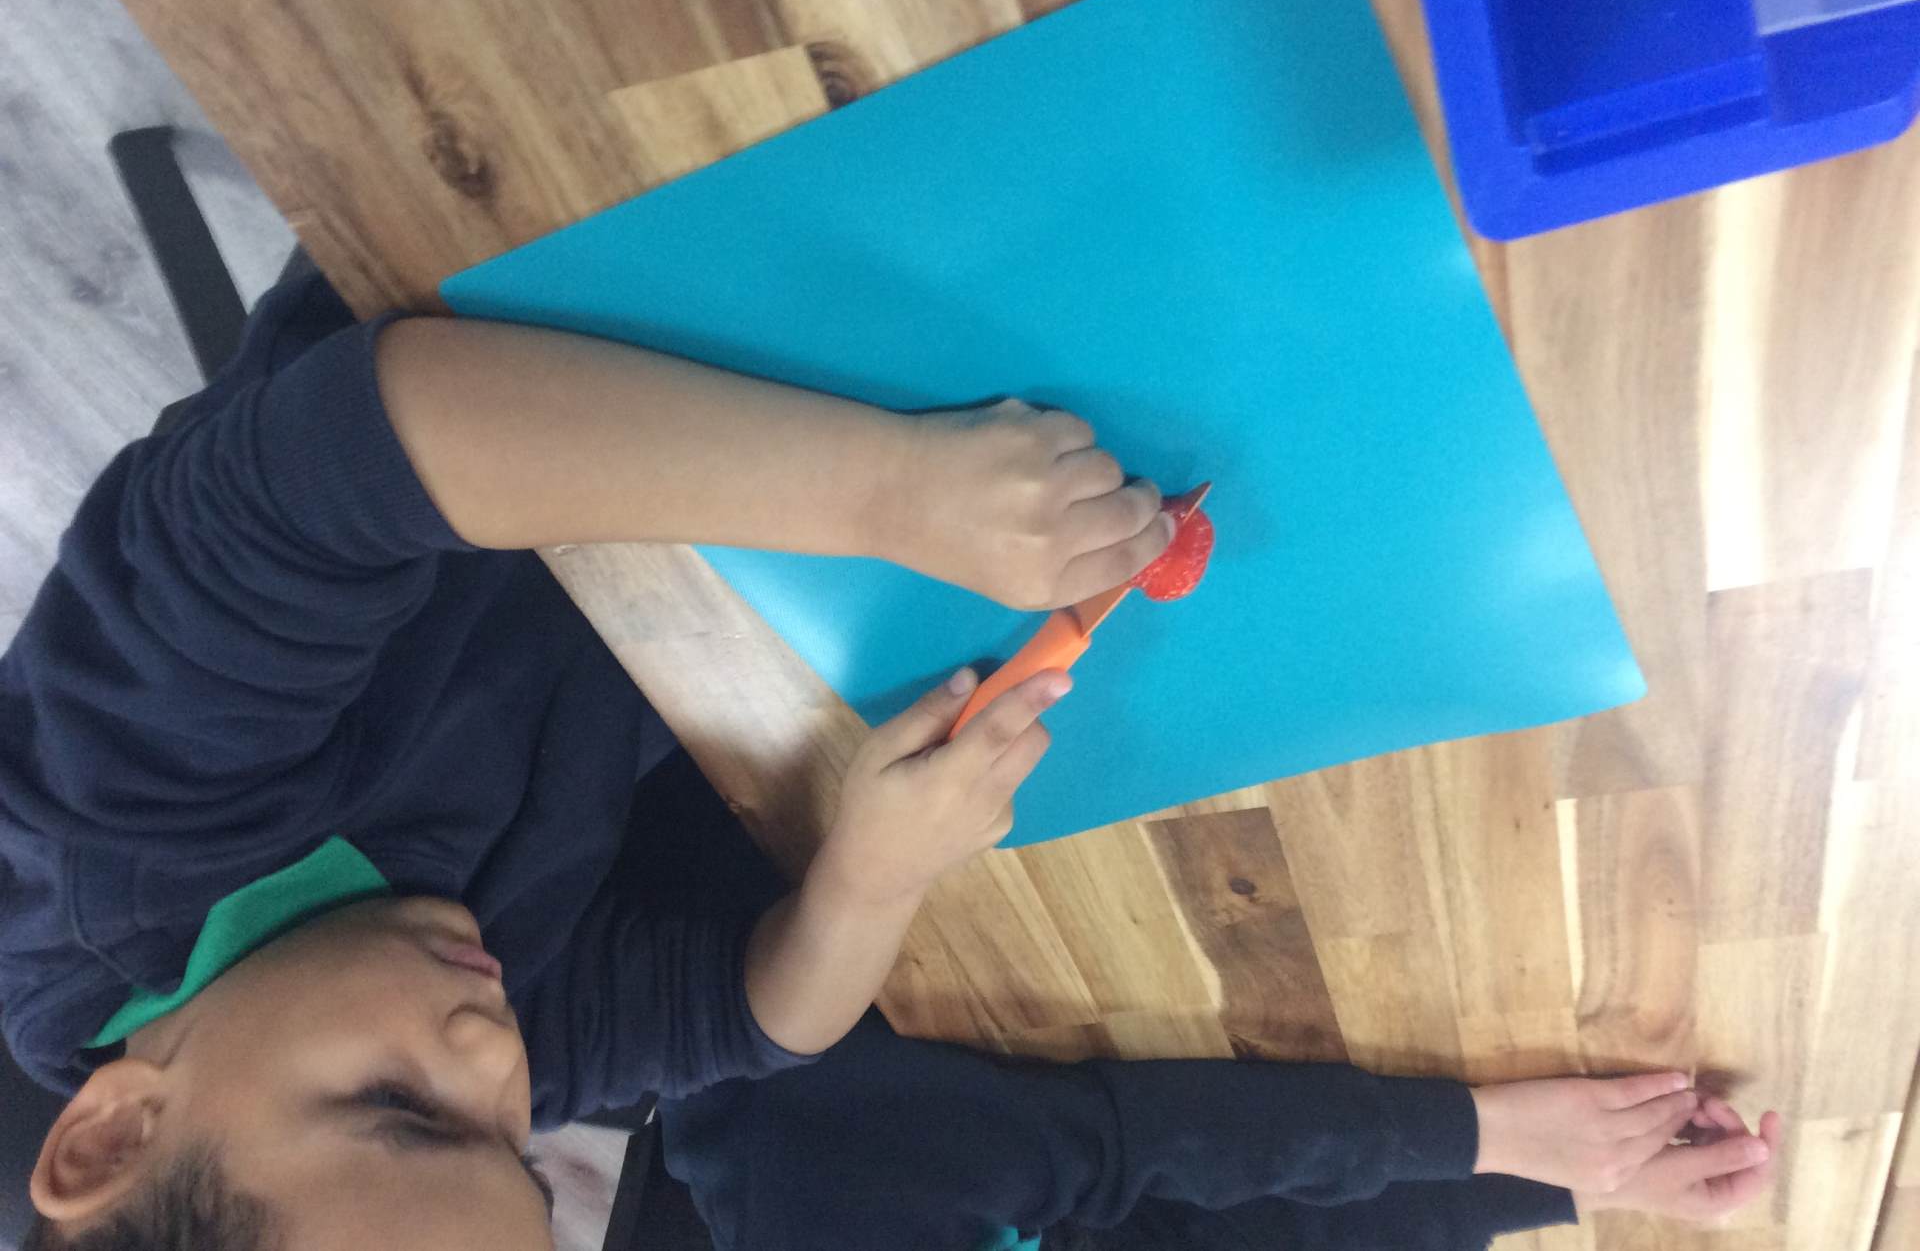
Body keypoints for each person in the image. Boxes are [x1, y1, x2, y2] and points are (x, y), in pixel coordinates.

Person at [1, 263, 1171, 1249]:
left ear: (113, 1134)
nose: (493, 1061)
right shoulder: (445, 1018)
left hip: (540, 255)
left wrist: (892, 493)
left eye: (403, 1111)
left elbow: (351, 450)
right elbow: (761, 1021)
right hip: (786, 437)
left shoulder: (118, 830)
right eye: (517, 1154)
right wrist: (875, 877)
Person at [661, 1008, 1783, 1250]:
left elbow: (1122, 1139)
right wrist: (1577, 1182)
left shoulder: (805, 1203)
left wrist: (1477, 1133)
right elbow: (1240, 1234)